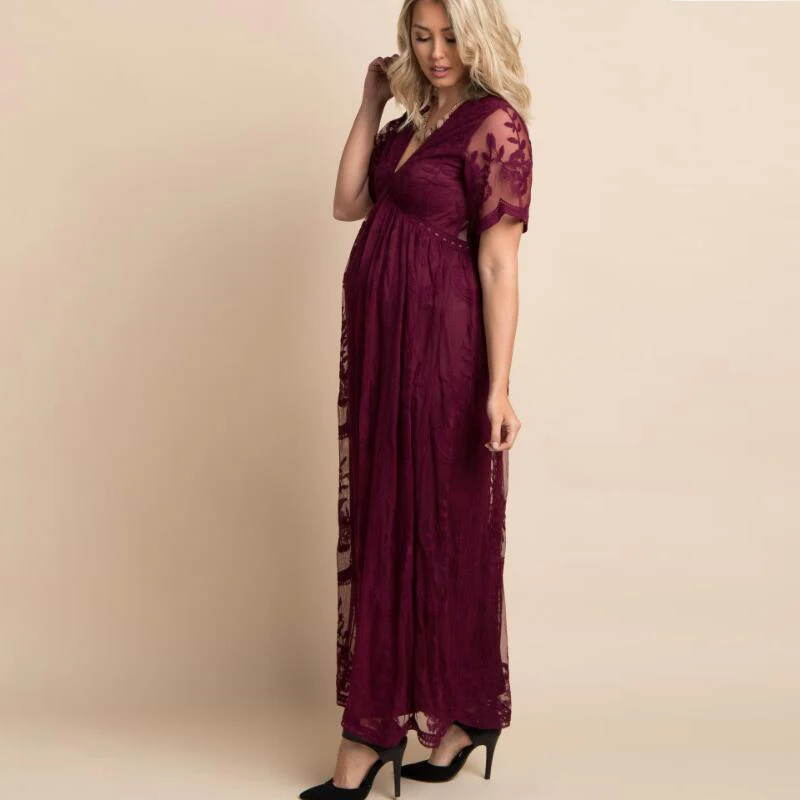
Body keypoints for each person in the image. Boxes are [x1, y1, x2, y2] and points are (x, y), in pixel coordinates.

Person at [299, 1, 532, 798]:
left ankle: (370, 737)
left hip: (441, 356)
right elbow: (347, 203)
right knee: (388, 518)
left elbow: (499, 265)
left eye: (451, 36)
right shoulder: (409, 124)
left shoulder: (494, 126)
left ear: (479, 36)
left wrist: (498, 387)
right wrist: (370, 102)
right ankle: (458, 718)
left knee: (429, 525)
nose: (436, 52)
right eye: (422, 37)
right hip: (382, 357)